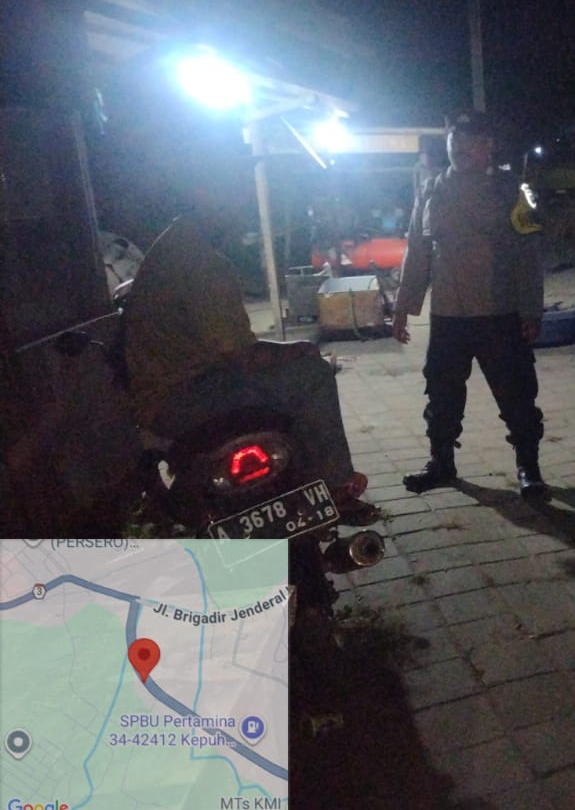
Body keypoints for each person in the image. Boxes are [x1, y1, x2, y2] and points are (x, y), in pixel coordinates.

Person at [124, 213, 369, 512]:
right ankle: (337, 485)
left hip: (163, 396)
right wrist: (299, 350)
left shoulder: (172, 245)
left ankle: (299, 478)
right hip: (187, 398)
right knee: (312, 375)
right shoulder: (203, 263)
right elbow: (241, 355)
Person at [393, 110, 548, 500]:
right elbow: (418, 249)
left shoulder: (513, 190)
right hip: (448, 316)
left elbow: (528, 253)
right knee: (441, 394)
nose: (459, 146)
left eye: (470, 140)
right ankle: (441, 462)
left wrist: (531, 309)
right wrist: (403, 306)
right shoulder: (431, 189)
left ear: (488, 145)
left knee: (517, 395)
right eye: (454, 139)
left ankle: (529, 468)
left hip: (499, 314)